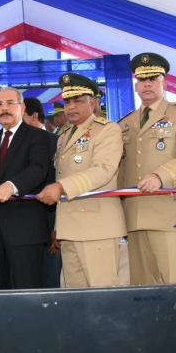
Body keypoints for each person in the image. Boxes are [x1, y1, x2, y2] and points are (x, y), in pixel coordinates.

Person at [117, 53, 176, 285]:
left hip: (170, 215)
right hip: (134, 216)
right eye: (142, 79)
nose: (147, 84)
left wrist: (160, 176)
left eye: (153, 79)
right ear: (135, 85)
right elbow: (120, 169)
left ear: (164, 83)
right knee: (141, 289)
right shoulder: (124, 123)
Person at [37, 73, 125, 288]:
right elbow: (63, 174)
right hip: (70, 230)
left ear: (92, 102)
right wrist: (59, 226)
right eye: (68, 102)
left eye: (78, 101)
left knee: (102, 297)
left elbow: (104, 170)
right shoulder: (65, 134)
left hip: (97, 228)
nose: (71, 107)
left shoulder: (107, 130)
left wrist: (61, 187)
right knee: (76, 300)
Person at [0, 88, 50, 290]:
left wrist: (12, 186)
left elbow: (38, 169)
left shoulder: (37, 136)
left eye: (9, 103)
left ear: (22, 107)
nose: (4, 108)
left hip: (26, 230)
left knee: (29, 291)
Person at [22, 97, 62, 288]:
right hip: (20, 229)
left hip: (50, 228)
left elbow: (60, 184)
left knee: (49, 281)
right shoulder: (14, 145)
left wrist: (56, 228)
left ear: (34, 116)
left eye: (20, 113)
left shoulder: (58, 142)